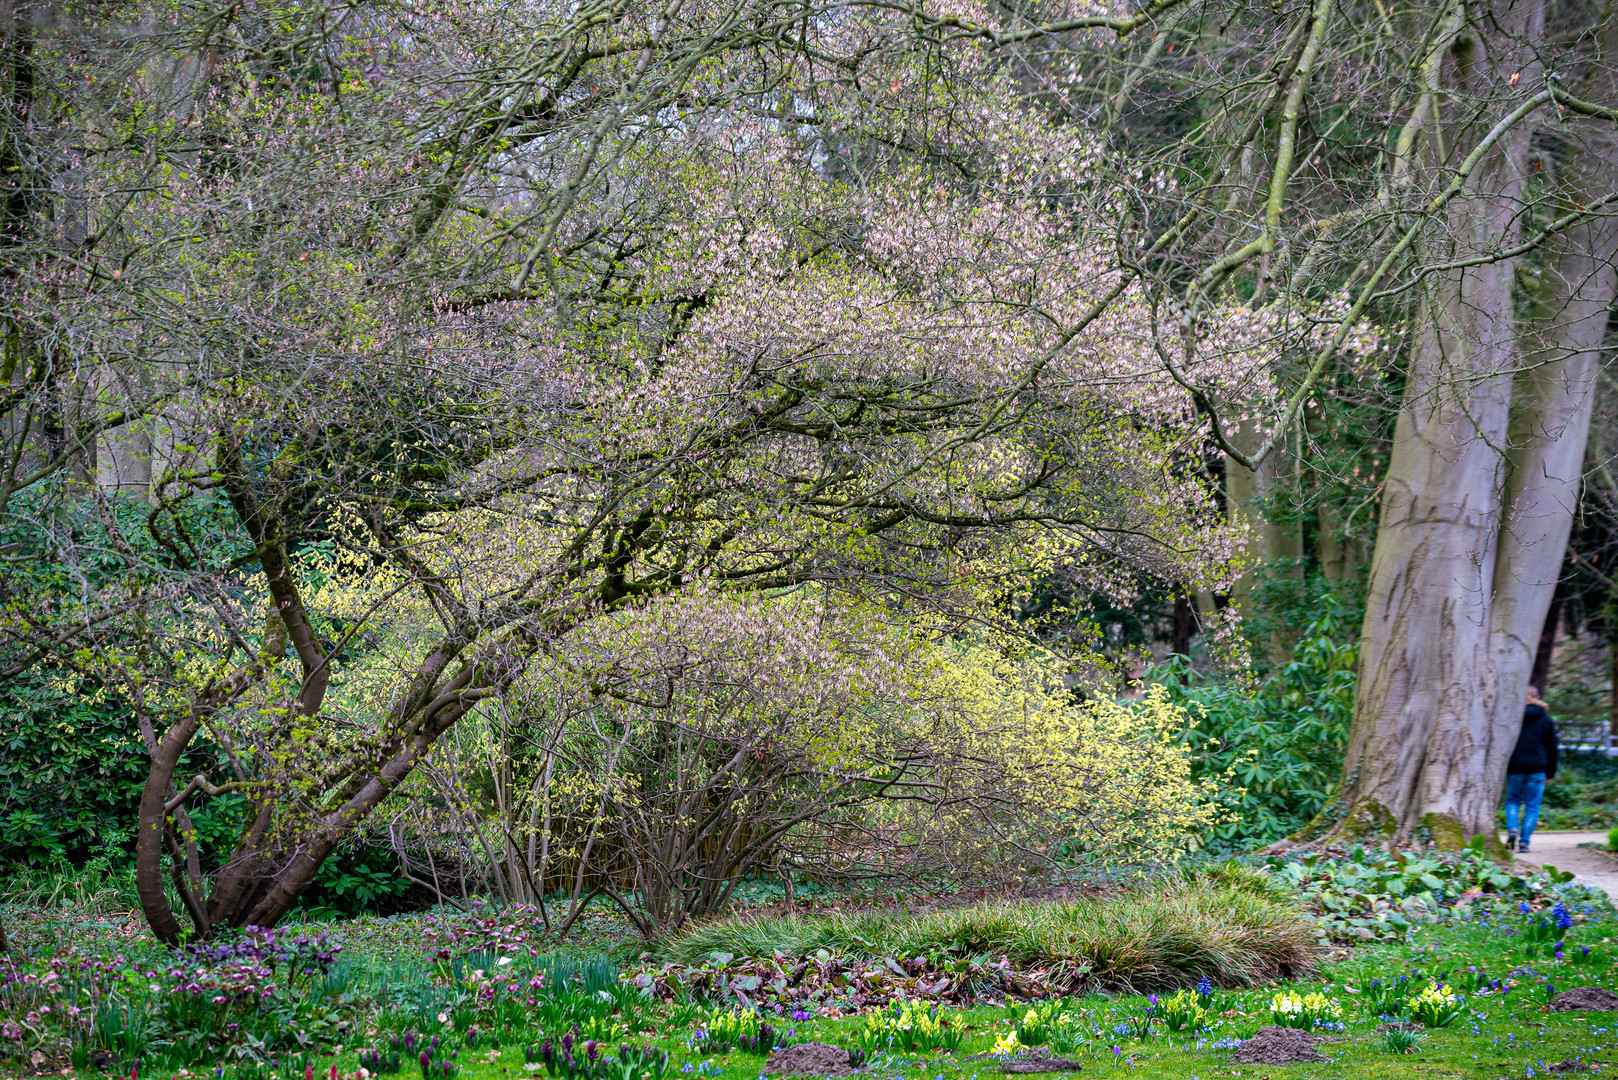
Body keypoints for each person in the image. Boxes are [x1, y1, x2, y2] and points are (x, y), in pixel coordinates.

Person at [1505, 685, 1559, 854]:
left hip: (1515, 767)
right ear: (1537, 697)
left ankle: (1512, 829)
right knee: (1532, 806)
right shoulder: (1545, 720)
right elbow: (1553, 748)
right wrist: (1551, 772)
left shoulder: (1512, 717)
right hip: (1537, 768)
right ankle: (1524, 842)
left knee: (1512, 800)